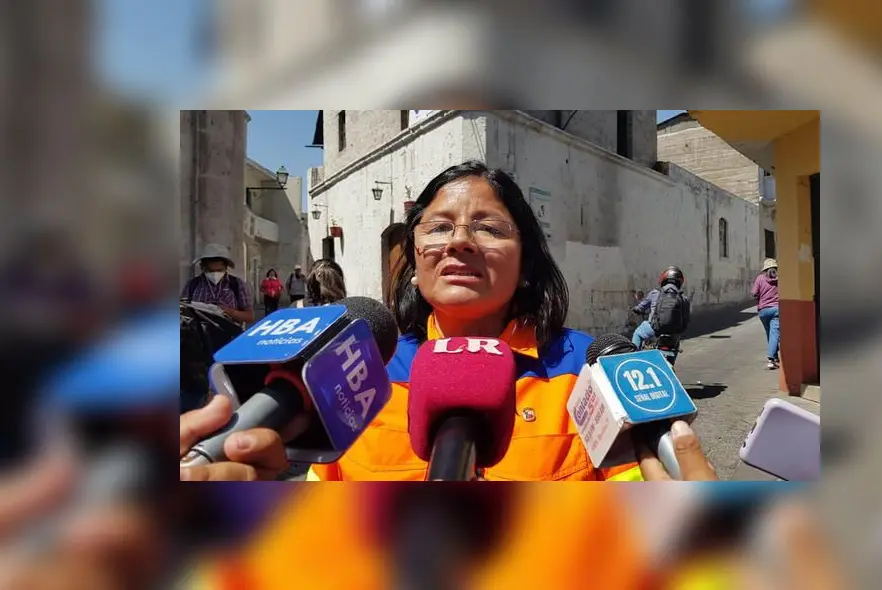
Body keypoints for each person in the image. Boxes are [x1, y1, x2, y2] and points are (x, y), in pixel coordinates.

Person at [180, 160, 682, 482]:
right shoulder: (357, 373)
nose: (459, 241)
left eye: (487, 228)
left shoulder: (588, 372)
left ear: (526, 265)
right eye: (439, 227)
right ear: (415, 262)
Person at [180, 244, 253, 325]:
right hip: (199, 334)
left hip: (230, 334)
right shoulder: (193, 284)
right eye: (210, 271)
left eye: (219, 270)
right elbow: (182, 311)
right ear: (202, 267)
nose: (215, 274)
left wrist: (230, 312)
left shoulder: (237, 284)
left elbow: (249, 317)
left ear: (226, 267)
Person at [631, 266, 691, 350]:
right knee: (676, 342)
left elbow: (641, 307)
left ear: (664, 279)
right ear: (680, 282)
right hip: (674, 332)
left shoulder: (655, 292)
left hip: (655, 328)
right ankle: (670, 361)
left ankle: (633, 357)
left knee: (638, 333)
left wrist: (637, 309)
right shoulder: (684, 298)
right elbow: (686, 318)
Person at [751, 258, 780, 370]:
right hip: (776, 309)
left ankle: (775, 358)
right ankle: (771, 359)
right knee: (774, 334)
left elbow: (754, 293)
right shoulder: (779, 280)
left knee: (771, 334)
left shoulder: (760, 278)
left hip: (763, 311)